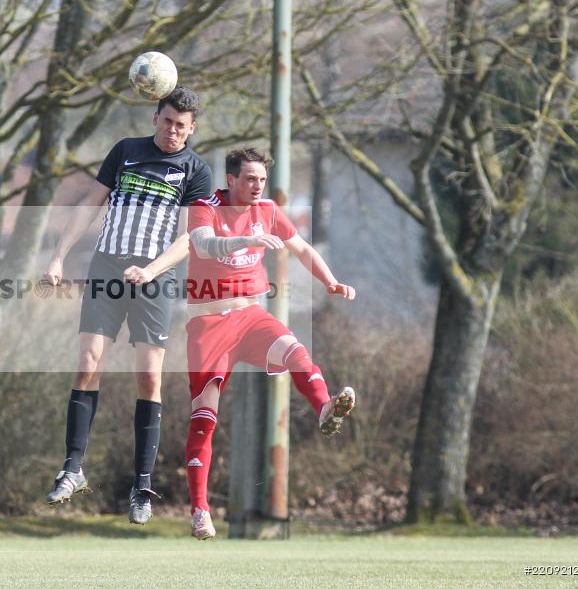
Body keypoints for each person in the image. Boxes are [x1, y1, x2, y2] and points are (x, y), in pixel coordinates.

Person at [42, 86, 213, 524]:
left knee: (148, 377)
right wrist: (60, 256)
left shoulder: (196, 170)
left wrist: (153, 270)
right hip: (106, 267)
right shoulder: (126, 152)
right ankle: (72, 468)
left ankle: (141, 485)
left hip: (155, 280)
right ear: (155, 117)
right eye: (168, 121)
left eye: (182, 126)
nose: (173, 131)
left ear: (191, 129)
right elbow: (89, 207)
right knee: (86, 364)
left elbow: (191, 237)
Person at [183, 147, 357, 539]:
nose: (257, 186)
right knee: (204, 420)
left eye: (261, 179)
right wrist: (246, 239)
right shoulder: (204, 206)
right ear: (230, 180)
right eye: (249, 179)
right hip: (208, 325)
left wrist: (329, 280)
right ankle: (200, 510)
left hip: (250, 317)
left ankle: (325, 407)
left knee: (296, 350)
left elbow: (303, 249)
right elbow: (206, 245)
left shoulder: (270, 211)